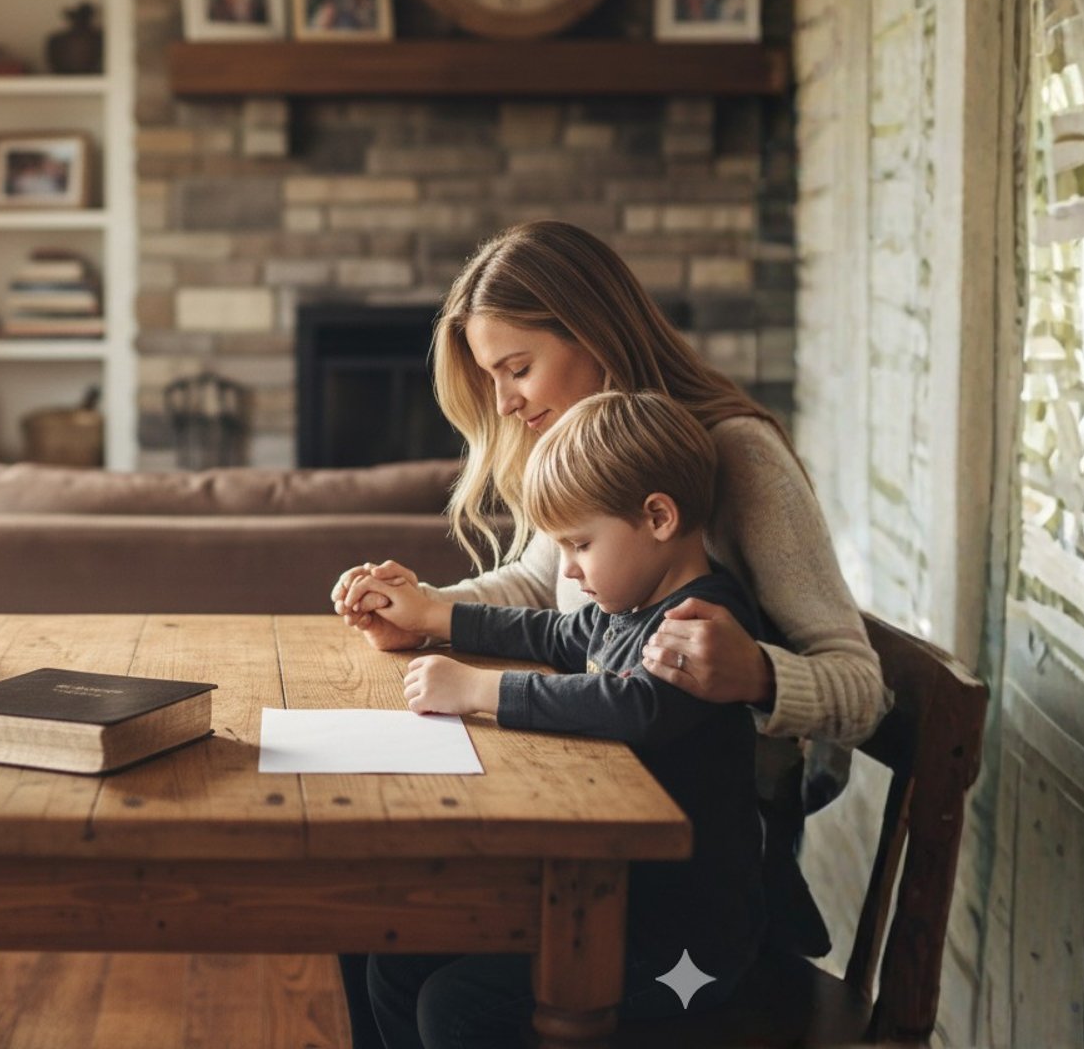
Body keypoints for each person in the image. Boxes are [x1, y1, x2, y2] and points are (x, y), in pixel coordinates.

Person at [329, 220, 888, 1047]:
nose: (504, 403)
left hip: (685, 886)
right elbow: (550, 598)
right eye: (491, 379)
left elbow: (862, 690)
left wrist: (759, 674)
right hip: (583, 823)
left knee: (440, 984)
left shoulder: (733, 457)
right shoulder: (590, 451)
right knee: (374, 930)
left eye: (517, 368)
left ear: (593, 334)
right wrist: (424, 610)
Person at [362, 390, 766, 1045]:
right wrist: (435, 616)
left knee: (455, 1006)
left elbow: (637, 706)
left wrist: (479, 689)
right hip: (599, 903)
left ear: (658, 517)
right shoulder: (624, 609)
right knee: (394, 958)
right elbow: (550, 633)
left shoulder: (703, 622)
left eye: (580, 544)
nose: (571, 570)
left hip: (682, 948)